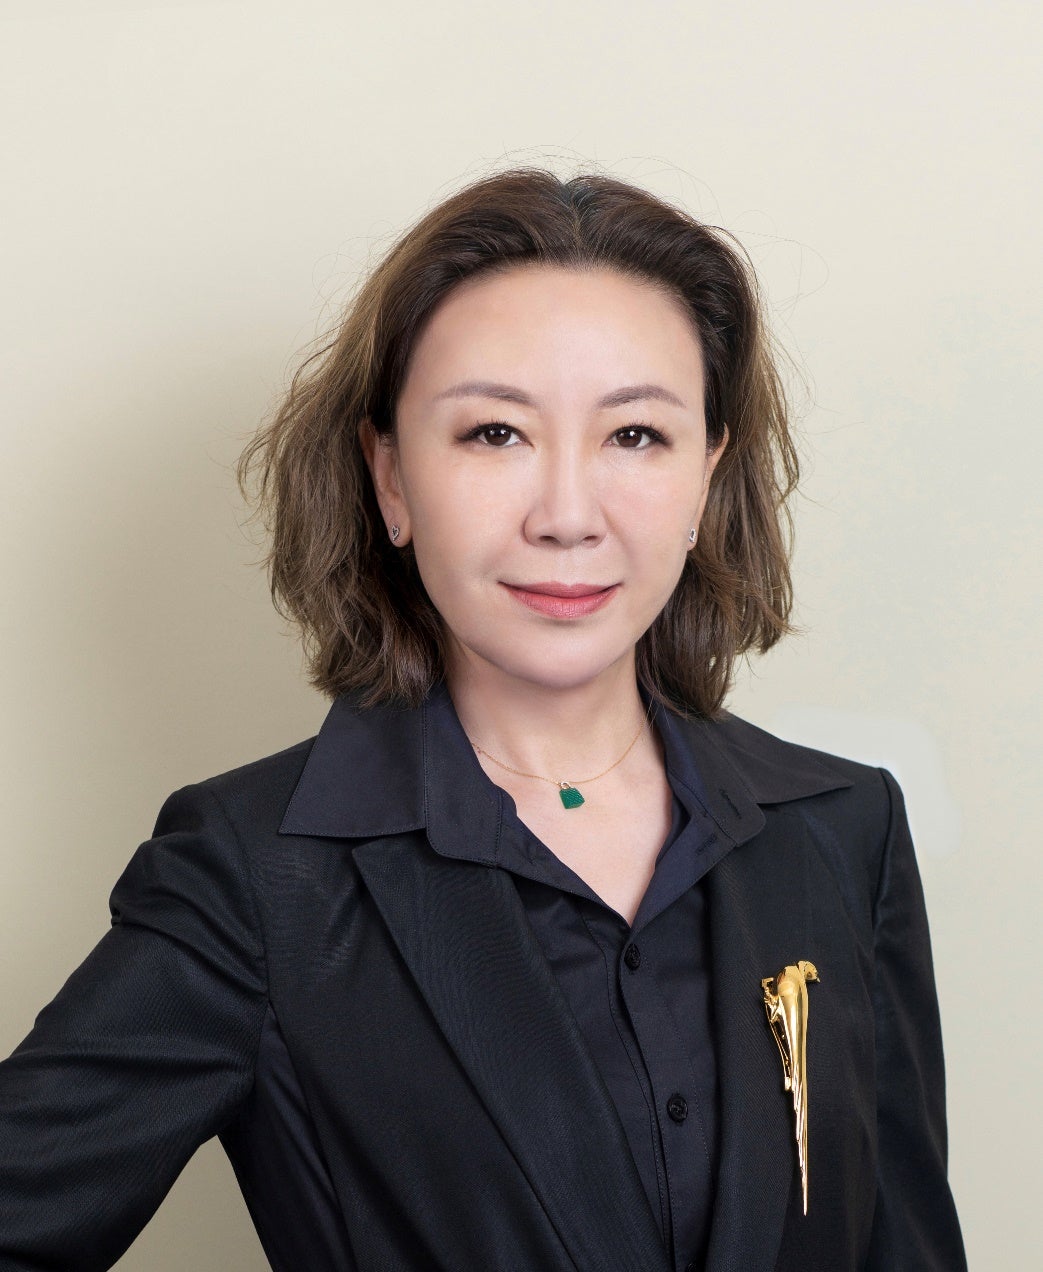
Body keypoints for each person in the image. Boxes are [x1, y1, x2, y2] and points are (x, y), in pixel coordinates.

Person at [0, 169, 966, 1272]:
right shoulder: (254, 874)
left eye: (635, 435)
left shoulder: (841, 829)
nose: (566, 516)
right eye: (495, 433)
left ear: (708, 474)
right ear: (390, 478)